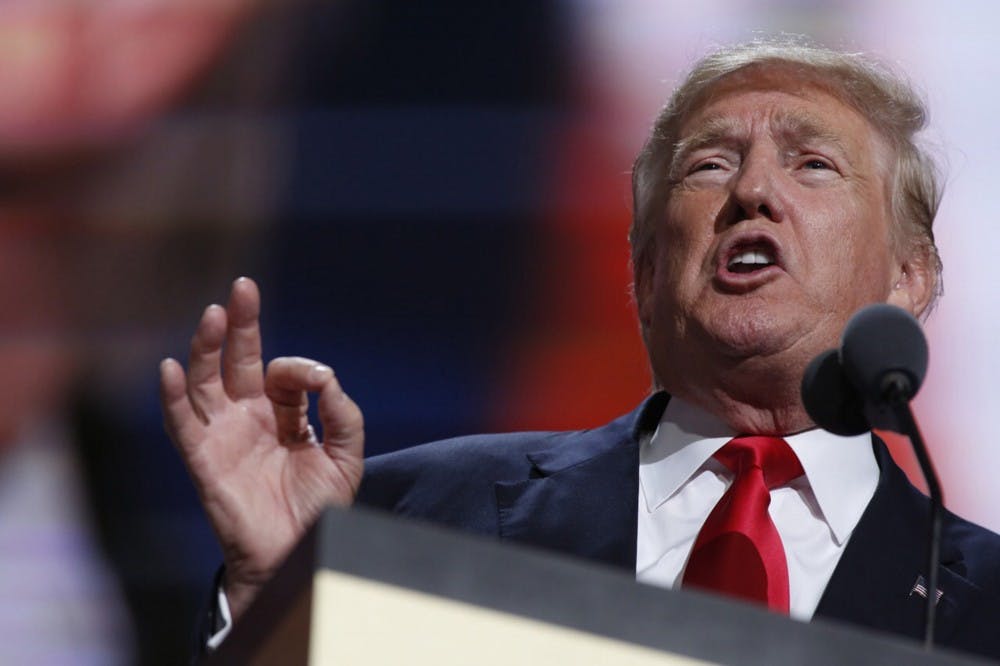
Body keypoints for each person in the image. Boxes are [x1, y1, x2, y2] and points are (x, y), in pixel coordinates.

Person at [160, 39, 1000, 659]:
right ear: (643, 267)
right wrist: (278, 600)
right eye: (709, 165)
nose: (752, 192)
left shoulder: (983, 599)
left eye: (813, 164)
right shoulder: (413, 518)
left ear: (909, 275)